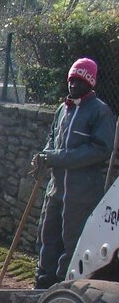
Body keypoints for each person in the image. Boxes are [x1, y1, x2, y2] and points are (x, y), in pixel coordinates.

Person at [32, 57, 115, 288]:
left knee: (71, 243)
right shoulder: (62, 109)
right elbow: (52, 140)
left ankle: (62, 287)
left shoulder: (100, 112)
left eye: (79, 81)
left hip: (82, 193)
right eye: (71, 80)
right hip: (56, 189)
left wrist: (59, 158)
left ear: (90, 83)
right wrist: (44, 156)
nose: (73, 86)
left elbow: (100, 149)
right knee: (47, 236)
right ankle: (42, 283)